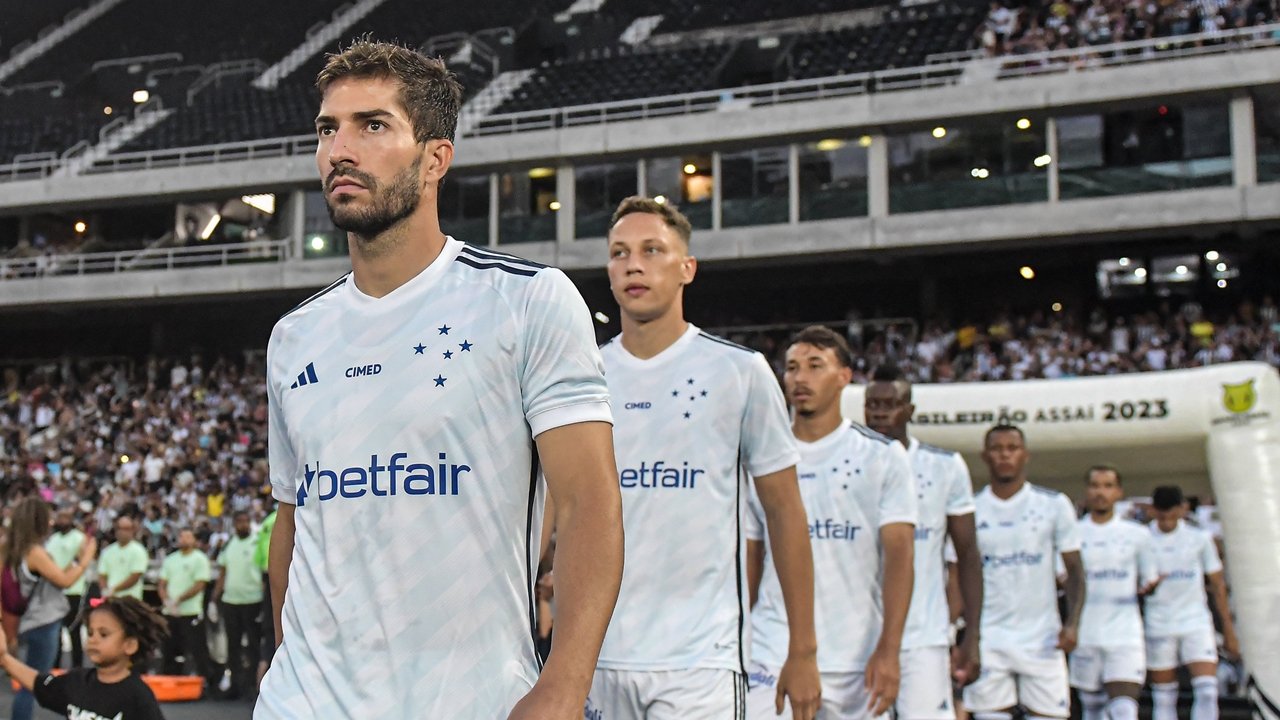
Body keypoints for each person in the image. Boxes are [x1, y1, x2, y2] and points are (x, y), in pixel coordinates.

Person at [256, 39, 622, 719]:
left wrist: (567, 684)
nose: (341, 149)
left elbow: (588, 505)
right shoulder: (293, 337)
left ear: (434, 158)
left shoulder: (527, 301)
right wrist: (284, 663)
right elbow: (292, 520)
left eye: (373, 126)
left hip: (469, 699)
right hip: (303, 702)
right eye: (328, 128)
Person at [592, 197, 820, 719]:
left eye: (653, 250)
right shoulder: (584, 373)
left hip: (702, 661)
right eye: (619, 253)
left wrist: (803, 649)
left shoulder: (738, 372)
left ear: (686, 268)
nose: (634, 264)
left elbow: (785, 513)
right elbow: (559, 504)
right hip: (596, 655)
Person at [745, 327, 916, 720]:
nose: (800, 378)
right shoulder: (760, 458)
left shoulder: (883, 456)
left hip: (856, 657)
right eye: (791, 368)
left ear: (844, 377)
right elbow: (751, 559)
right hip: (773, 650)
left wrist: (890, 650)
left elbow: (900, 559)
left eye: (814, 366)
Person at [863, 364, 984, 718]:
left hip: (925, 636)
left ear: (910, 410)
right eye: (873, 404)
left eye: (890, 403)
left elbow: (968, 555)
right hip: (860, 636)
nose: (880, 411)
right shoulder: (849, 463)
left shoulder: (944, 466)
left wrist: (971, 636)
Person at [964, 425, 1085, 720]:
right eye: (997, 448)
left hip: (1042, 639)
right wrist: (964, 636)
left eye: (1012, 448)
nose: (1004, 455)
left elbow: (1075, 571)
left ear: (1025, 455)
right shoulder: (970, 509)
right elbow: (957, 575)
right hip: (989, 639)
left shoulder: (1053, 504)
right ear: (985, 455)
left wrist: (1073, 623)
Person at [1069, 466, 1159, 720]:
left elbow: (1149, 579)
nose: (1101, 492)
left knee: (1124, 709)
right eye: (1095, 486)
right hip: (1085, 634)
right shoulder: (1073, 533)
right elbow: (1061, 578)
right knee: (1092, 709)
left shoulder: (1138, 535)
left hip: (1124, 635)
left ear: (1119, 492)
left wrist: (1150, 588)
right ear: (1086, 491)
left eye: (1108, 486)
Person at [1145, 485, 1238, 720]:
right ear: (1153, 511)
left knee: (1207, 690)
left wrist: (1228, 630)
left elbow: (1217, 585)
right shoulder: (1142, 538)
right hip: (1158, 623)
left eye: (1172, 515)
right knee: (1163, 696)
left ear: (1183, 509)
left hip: (1195, 621)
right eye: (1162, 516)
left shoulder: (1199, 538)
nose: (1167, 522)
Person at [2, 497, 97, 720]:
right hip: (43, 621)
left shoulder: (6, 550)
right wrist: (85, 560)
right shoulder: (34, 552)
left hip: (21, 619)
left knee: (22, 677)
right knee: (32, 683)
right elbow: (63, 580)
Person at [0, 596, 167, 720]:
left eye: (103, 634)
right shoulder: (77, 681)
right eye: (90, 632)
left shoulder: (137, 696)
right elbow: (40, 684)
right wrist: (4, 658)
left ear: (129, 645)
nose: (93, 639)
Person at [158, 528, 216, 687]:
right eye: (181, 536)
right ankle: (170, 679)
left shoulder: (200, 559)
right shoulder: (170, 559)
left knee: (197, 649)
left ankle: (205, 683)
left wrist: (179, 599)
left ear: (194, 540)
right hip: (171, 611)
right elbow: (162, 583)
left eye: (187, 536)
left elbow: (200, 584)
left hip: (190, 611)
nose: (183, 539)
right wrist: (166, 600)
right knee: (170, 647)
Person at [214, 511, 263, 699]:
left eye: (245, 521)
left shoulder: (257, 542)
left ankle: (252, 685)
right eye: (239, 522)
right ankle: (235, 685)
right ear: (234, 525)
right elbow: (222, 573)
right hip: (231, 601)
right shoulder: (228, 545)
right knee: (233, 646)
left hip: (253, 600)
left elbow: (265, 571)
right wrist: (214, 599)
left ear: (250, 523)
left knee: (253, 645)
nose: (242, 525)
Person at [46, 508, 89, 669]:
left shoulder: (79, 538)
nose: (62, 520)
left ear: (72, 519)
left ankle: (77, 667)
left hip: (73, 590)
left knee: (74, 631)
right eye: (60, 516)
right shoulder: (53, 539)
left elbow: (79, 561)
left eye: (66, 517)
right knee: (54, 632)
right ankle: (54, 667)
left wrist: (61, 575)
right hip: (54, 590)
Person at [98, 517, 149, 601]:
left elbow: (135, 576)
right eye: (119, 528)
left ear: (132, 530)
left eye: (126, 529)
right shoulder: (108, 551)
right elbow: (102, 574)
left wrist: (114, 589)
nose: (122, 532)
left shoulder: (139, 551)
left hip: (130, 599)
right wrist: (105, 589)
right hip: (111, 598)